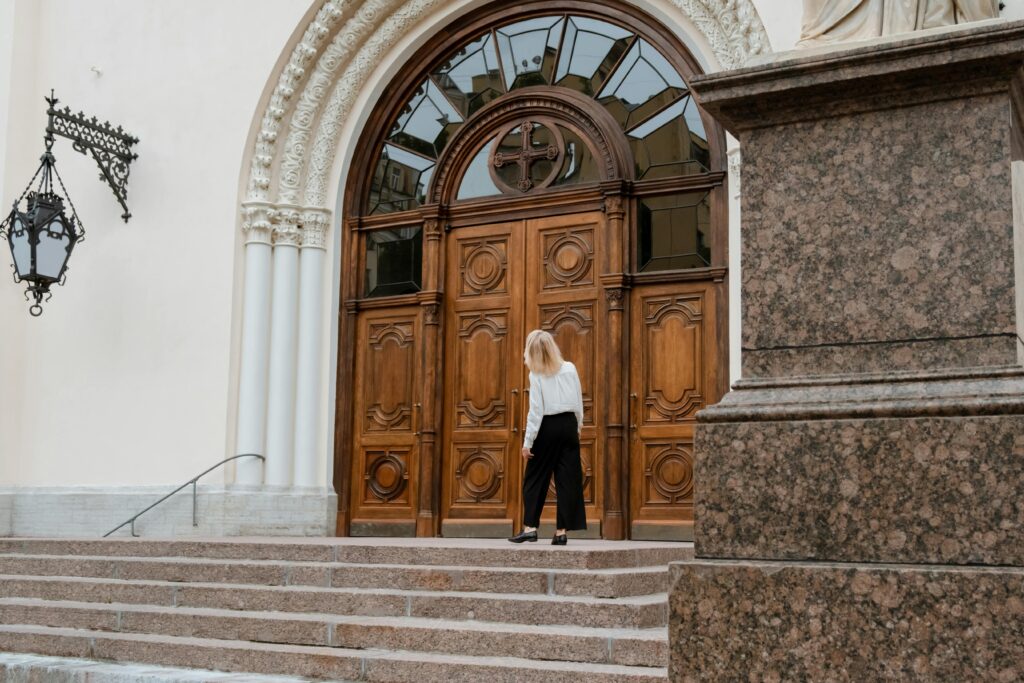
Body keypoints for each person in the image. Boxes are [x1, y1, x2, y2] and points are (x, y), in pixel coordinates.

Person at [508, 330, 586, 545]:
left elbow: (536, 410)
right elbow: (579, 400)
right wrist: (577, 426)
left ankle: (530, 528)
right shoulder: (570, 368)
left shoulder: (536, 374)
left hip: (547, 426)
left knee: (535, 478)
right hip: (569, 425)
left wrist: (527, 442)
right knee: (567, 479)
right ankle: (561, 532)